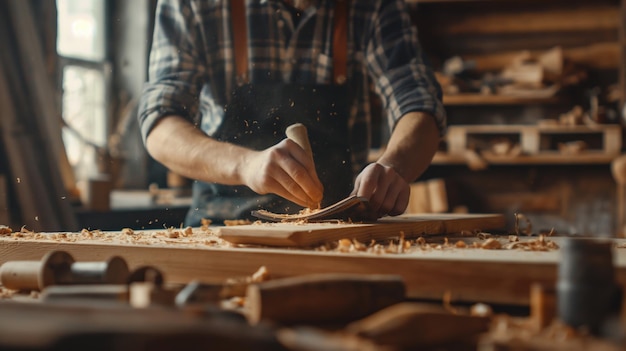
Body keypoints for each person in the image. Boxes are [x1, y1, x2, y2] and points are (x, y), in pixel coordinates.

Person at [138, 0, 446, 226]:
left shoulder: (372, 7)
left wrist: (393, 166)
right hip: (221, 226)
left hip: (334, 229)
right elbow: (160, 123)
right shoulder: (195, 5)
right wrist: (245, 164)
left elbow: (418, 102)